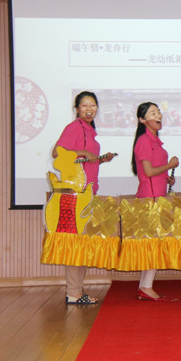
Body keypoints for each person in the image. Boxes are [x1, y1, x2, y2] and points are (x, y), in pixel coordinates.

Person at [53, 91, 115, 304]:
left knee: (82, 244)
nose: (89, 109)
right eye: (85, 105)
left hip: (87, 192)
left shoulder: (88, 130)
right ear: (77, 109)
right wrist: (84, 153)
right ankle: (73, 292)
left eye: (93, 105)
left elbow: (84, 161)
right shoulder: (74, 128)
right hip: (75, 193)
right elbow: (57, 153)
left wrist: (100, 159)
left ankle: (76, 291)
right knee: (76, 243)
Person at [131, 102, 179, 301]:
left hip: (157, 195)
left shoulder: (155, 141)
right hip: (149, 198)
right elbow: (149, 172)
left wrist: (167, 177)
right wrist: (170, 165)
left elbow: (153, 172)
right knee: (153, 244)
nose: (158, 115)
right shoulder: (144, 140)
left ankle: (144, 287)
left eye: (158, 112)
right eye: (152, 113)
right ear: (142, 120)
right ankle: (147, 287)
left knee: (151, 243)